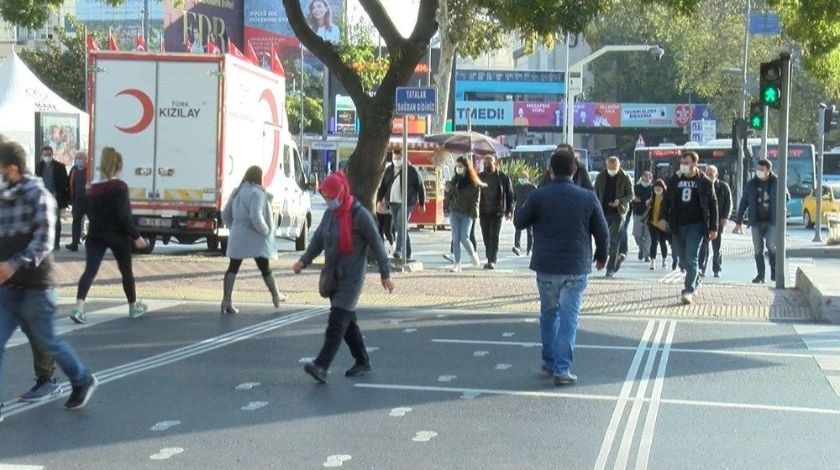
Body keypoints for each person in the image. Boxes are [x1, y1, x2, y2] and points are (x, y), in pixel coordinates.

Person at [0, 138, 98, 421]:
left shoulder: (39, 195)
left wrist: (12, 265)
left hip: (35, 288)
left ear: (13, 169)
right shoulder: (5, 197)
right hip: (8, 289)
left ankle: (81, 379)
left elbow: (43, 243)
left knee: (49, 342)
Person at [513, 148, 609, 386]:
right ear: (575, 170)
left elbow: (519, 221)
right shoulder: (587, 197)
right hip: (575, 266)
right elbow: (603, 230)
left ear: (551, 170)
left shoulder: (539, 196)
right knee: (569, 317)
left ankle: (549, 361)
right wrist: (601, 255)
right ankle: (563, 369)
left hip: (545, 266)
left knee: (548, 314)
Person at [294, 172, 393, 383]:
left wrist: (385, 274)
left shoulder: (361, 216)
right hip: (333, 276)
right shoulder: (331, 214)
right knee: (347, 323)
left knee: (337, 321)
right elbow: (318, 239)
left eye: (330, 197)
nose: (327, 201)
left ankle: (321, 365)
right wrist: (304, 261)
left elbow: (377, 244)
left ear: (341, 192)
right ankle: (362, 360)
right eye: (325, 197)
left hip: (352, 278)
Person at [70, 147, 149, 324]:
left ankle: (78, 307)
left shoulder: (92, 188)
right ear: (118, 166)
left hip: (96, 234)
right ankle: (132, 306)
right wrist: (136, 236)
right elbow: (123, 215)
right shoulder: (120, 187)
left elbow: (86, 209)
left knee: (90, 270)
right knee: (126, 271)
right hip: (118, 236)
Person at [220, 165, 286, 314]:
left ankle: (226, 300)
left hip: (238, 234)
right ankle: (275, 296)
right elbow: (256, 216)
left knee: (233, 267)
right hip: (254, 237)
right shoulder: (257, 193)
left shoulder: (237, 191)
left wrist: (234, 227)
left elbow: (225, 214)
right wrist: (265, 231)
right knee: (264, 266)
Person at [658, 151, 718, 305]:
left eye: (687, 162)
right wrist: (663, 218)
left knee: (692, 257)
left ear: (694, 164)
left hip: (696, 225)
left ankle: (688, 290)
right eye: (682, 162)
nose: (683, 165)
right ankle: (696, 278)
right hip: (678, 224)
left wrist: (713, 227)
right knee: (683, 260)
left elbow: (713, 205)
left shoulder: (704, 181)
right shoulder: (675, 179)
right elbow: (666, 200)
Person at [735, 159, 787, 283]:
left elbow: (786, 198)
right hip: (756, 221)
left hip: (772, 221)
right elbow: (744, 201)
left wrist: (780, 210)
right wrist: (739, 219)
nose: (759, 172)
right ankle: (761, 275)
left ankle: (774, 270)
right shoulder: (752, 183)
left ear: (768, 171)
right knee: (758, 249)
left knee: (771, 246)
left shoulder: (777, 182)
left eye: (762, 170)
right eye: (758, 169)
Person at [376, 148, 426, 262]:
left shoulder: (411, 170)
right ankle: (408, 252)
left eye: (399, 158)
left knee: (400, 225)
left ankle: (398, 250)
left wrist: (422, 203)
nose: (396, 160)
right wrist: (379, 200)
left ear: (404, 158)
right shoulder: (389, 170)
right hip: (393, 203)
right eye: (394, 158)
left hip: (407, 203)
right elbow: (383, 186)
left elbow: (420, 186)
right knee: (402, 227)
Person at [593, 156, 634, 277]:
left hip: (618, 212)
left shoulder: (625, 177)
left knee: (614, 239)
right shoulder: (600, 176)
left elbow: (631, 195)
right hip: (603, 211)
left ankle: (610, 268)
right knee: (603, 238)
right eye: (609, 168)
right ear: (606, 166)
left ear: (618, 166)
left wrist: (620, 201)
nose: (611, 170)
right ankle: (615, 258)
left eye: (614, 168)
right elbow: (595, 192)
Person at [444, 156, 484, 272]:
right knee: (455, 238)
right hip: (455, 211)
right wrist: (448, 191)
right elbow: (450, 197)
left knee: (464, 237)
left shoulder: (473, 183)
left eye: (460, 166)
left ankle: (473, 254)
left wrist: (474, 212)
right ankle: (457, 264)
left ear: (466, 167)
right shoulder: (455, 180)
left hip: (467, 213)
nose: (458, 168)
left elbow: (476, 200)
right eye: (457, 166)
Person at [478, 155, 514, 269]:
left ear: (495, 164)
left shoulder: (503, 177)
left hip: (497, 212)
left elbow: (510, 195)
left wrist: (509, 210)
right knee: (485, 236)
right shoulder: (480, 177)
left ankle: (492, 260)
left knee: (494, 236)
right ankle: (489, 257)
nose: (486, 165)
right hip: (483, 211)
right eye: (485, 163)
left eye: (489, 163)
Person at [699, 165, 732, 278]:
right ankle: (701, 268)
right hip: (704, 221)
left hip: (718, 222)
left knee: (716, 247)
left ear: (716, 175)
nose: (708, 175)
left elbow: (728, 204)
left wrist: (725, 217)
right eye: (706, 173)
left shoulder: (723, 187)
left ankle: (717, 269)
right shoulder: (703, 186)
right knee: (703, 246)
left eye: (711, 174)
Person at [35, 146, 70, 251]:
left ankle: (56, 243)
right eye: (45, 155)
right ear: (42, 155)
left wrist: (63, 197)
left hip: (55, 198)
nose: (47, 156)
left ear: (52, 154)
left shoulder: (60, 166)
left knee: (56, 222)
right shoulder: (39, 166)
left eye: (49, 154)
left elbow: (65, 182)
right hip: (42, 198)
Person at [65, 151, 89, 252]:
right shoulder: (73, 170)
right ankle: (74, 244)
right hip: (77, 201)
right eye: (77, 158)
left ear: (85, 159)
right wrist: (70, 199)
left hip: (90, 201)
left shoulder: (89, 171)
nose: (78, 160)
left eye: (80, 158)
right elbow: (69, 183)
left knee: (95, 223)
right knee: (76, 223)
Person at [646, 179, 669, 271]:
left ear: (663, 188)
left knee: (662, 242)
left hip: (662, 223)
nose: (657, 190)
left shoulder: (666, 197)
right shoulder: (652, 196)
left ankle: (664, 259)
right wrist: (647, 203)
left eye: (659, 188)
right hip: (652, 222)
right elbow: (649, 206)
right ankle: (653, 261)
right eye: (656, 188)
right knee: (654, 241)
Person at [512, 170, 536, 256]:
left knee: (530, 231)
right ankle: (517, 247)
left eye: (523, 177)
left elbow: (536, 199)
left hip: (529, 211)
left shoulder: (532, 187)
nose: (521, 179)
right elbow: (513, 199)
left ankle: (529, 249)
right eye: (520, 177)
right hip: (518, 210)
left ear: (527, 178)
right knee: (517, 229)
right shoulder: (516, 187)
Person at [632, 171, 654, 262]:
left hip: (649, 214)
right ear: (641, 177)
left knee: (648, 236)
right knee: (636, 234)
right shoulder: (636, 187)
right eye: (645, 176)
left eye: (648, 177)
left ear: (651, 179)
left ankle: (646, 254)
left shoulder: (652, 188)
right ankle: (641, 248)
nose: (646, 178)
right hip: (638, 213)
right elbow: (630, 197)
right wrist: (634, 199)